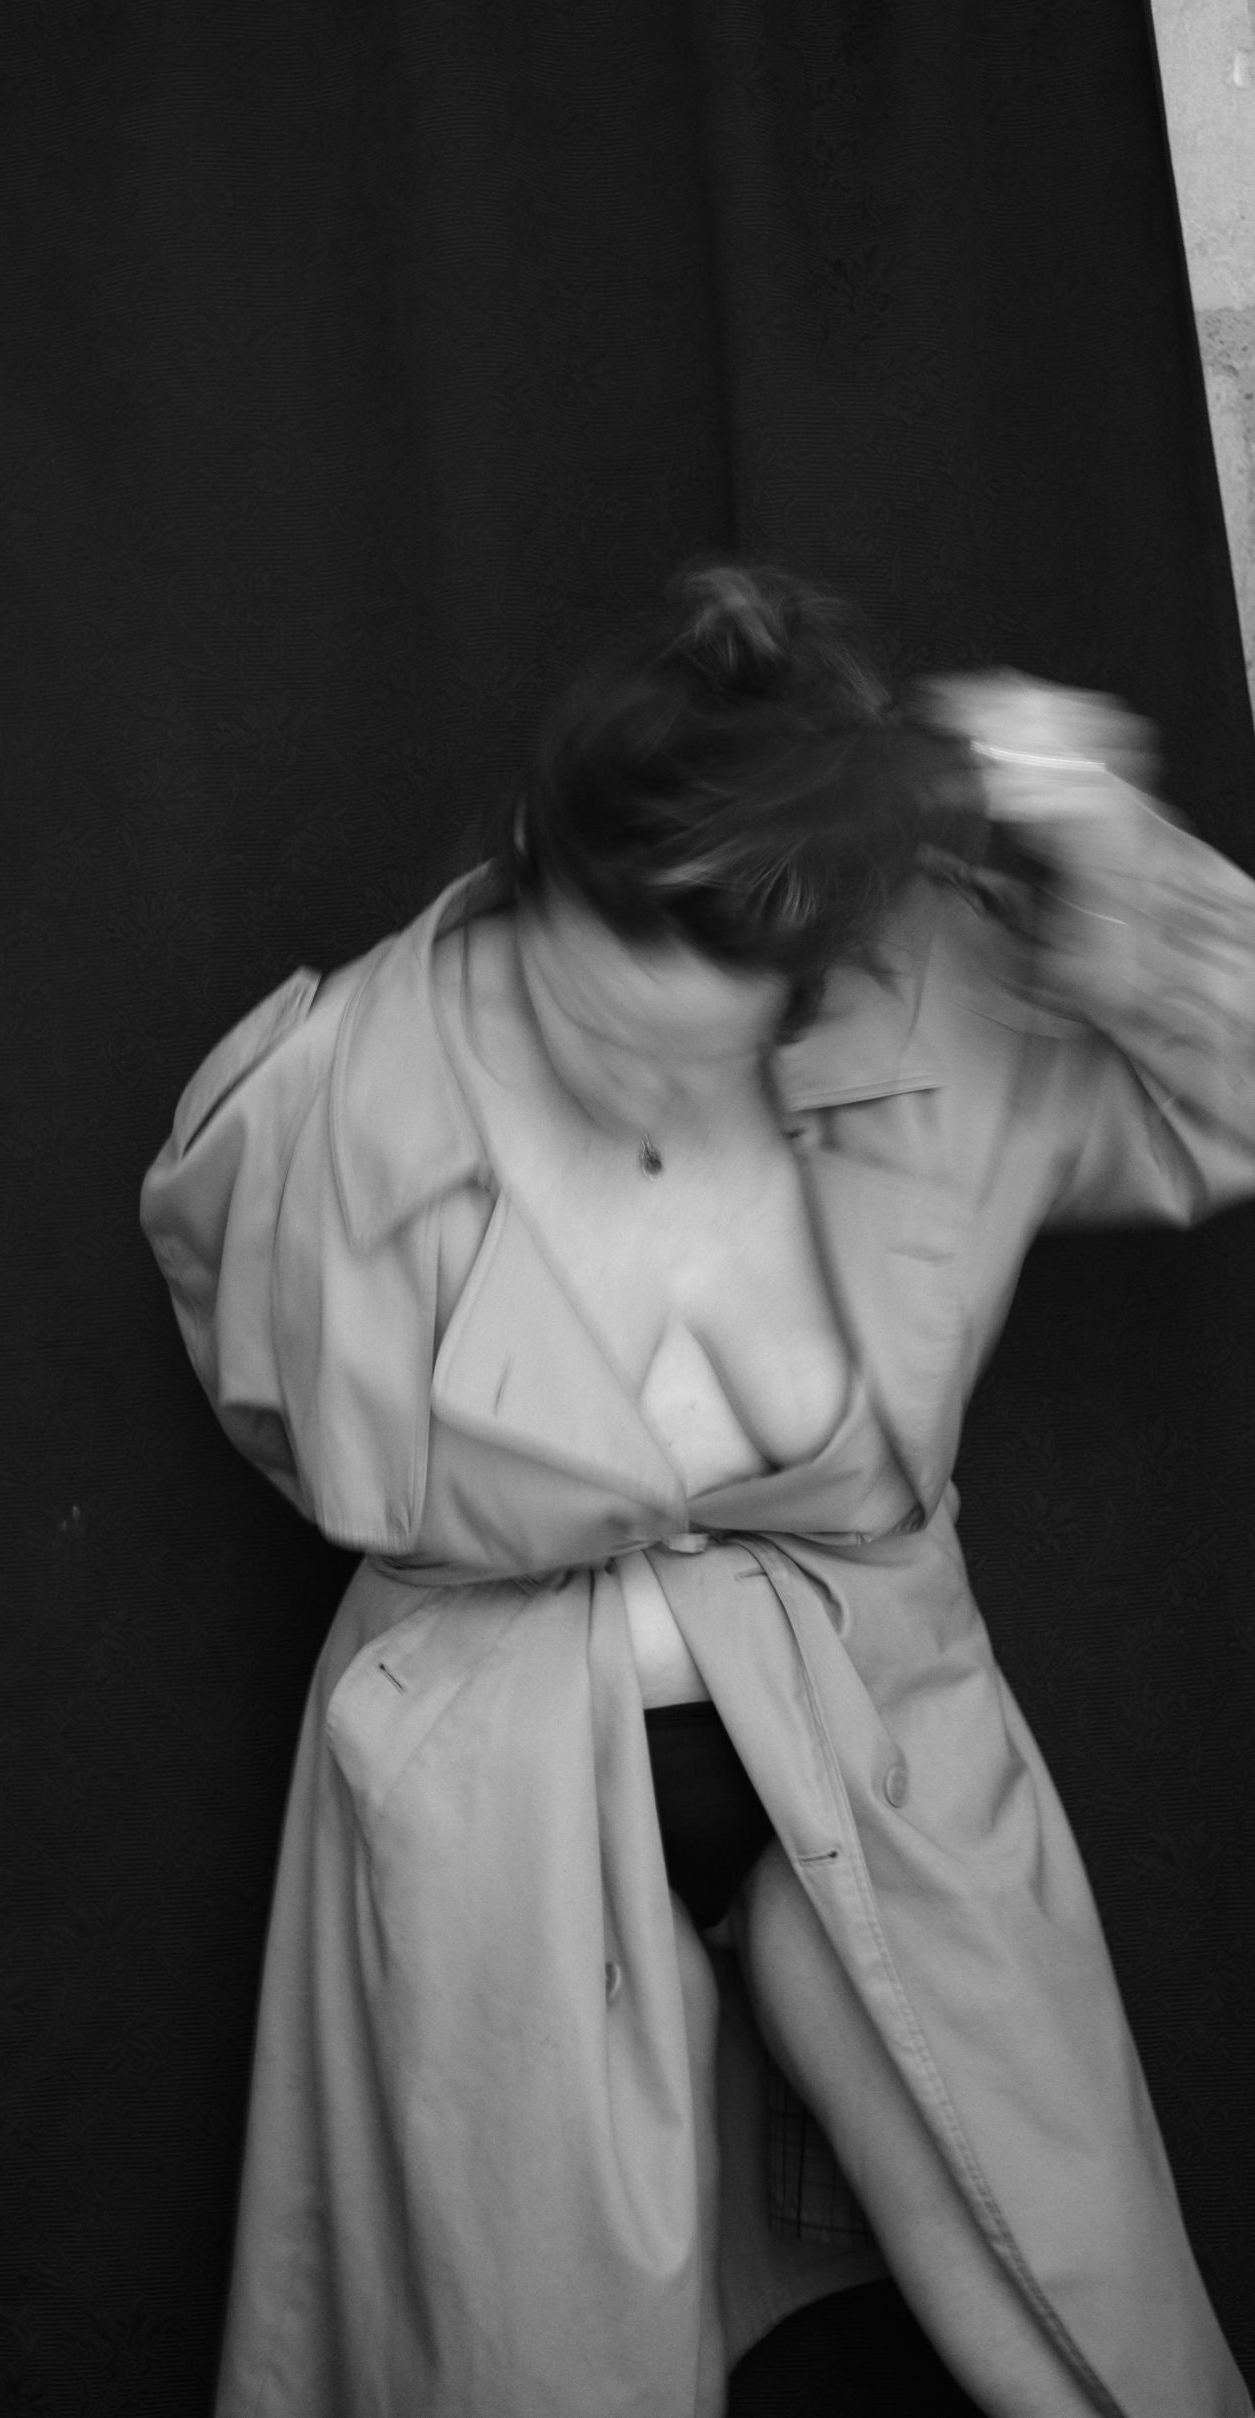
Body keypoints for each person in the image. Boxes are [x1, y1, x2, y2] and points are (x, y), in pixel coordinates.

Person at [141, 559, 1255, 2418]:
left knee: (1077, 2317)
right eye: (588, 1022)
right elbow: (267, 1387)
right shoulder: (329, 1094)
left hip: (876, 1749)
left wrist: (1092, 828)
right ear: (538, 867)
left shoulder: (933, 1006)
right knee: (535, 2363)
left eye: (699, 1046)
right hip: (495, 1808)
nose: (635, 1087)